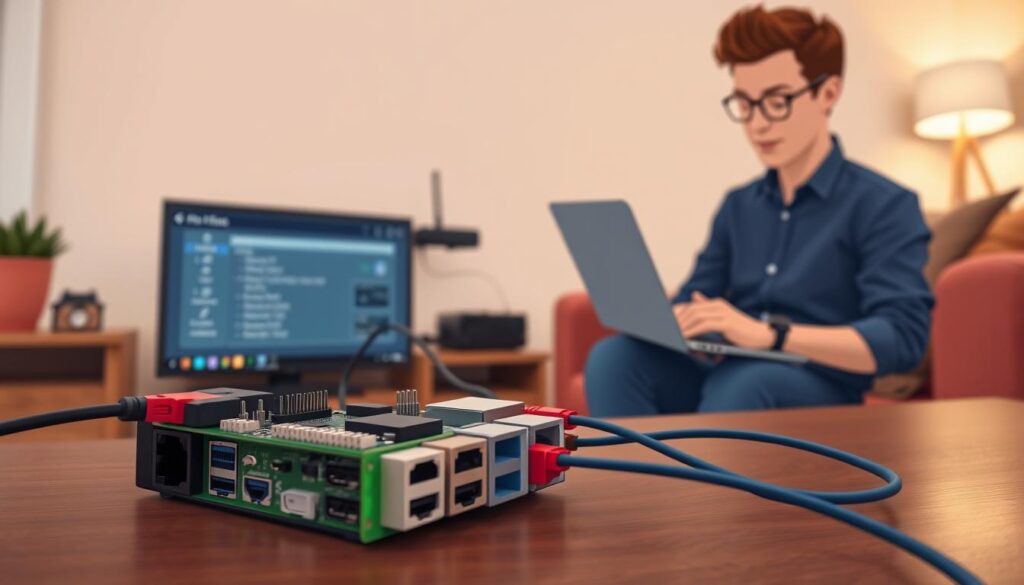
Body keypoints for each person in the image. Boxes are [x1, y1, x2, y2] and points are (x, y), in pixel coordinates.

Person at [584, 5, 934, 416]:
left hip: (816, 383)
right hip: (732, 371)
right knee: (615, 358)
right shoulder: (739, 206)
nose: (757, 124)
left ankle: (706, 481)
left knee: (747, 381)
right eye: (745, 103)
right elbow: (699, 295)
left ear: (828, 93)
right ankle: (639, 481)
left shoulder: (884, 204)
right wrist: (676, 317)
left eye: (777, 101)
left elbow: (901, 338)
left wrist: (770, 335)